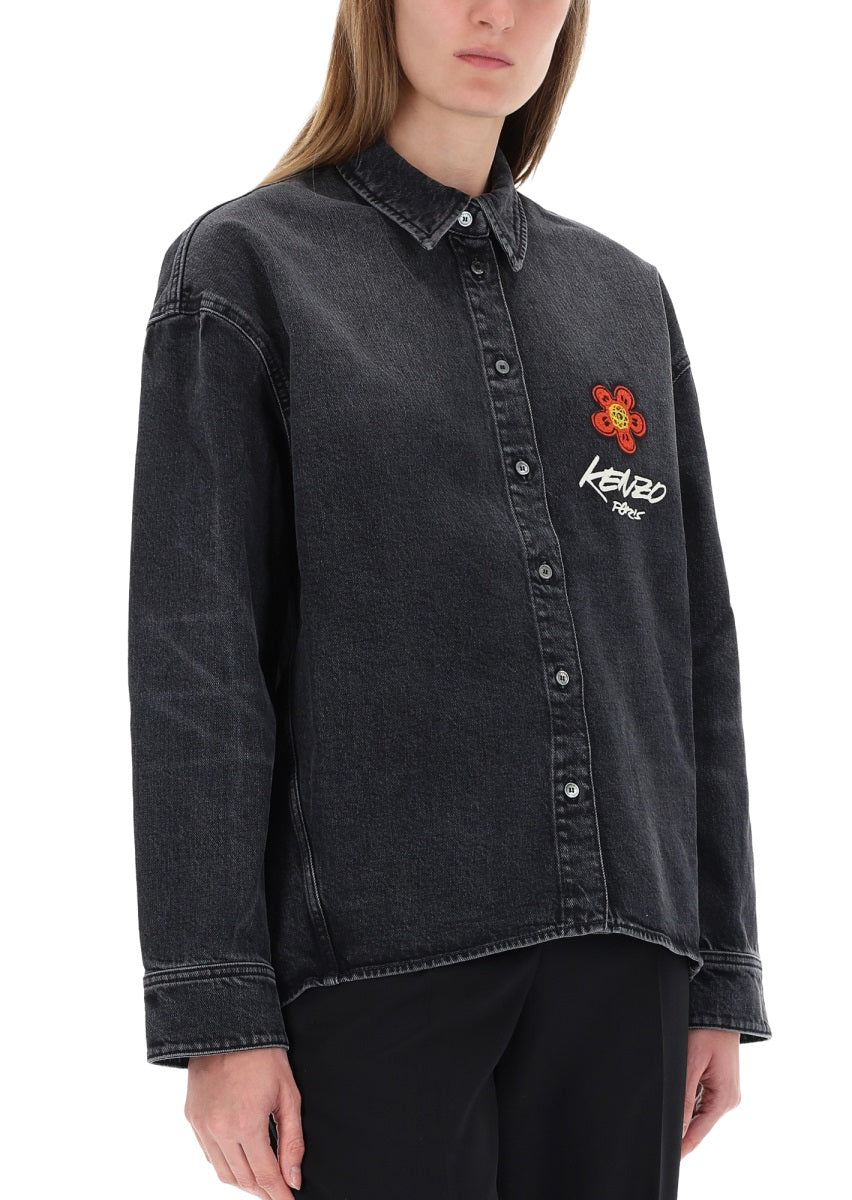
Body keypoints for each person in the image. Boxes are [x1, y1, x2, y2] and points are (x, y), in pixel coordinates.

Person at [127, 1, 772, 1197]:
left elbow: (692, 653)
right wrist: (221, 1014)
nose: (493, 12)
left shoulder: (626, 296)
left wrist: (719, 973)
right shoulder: (247, 269)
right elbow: (198, 661)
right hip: (379, 968)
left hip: (629, 966)